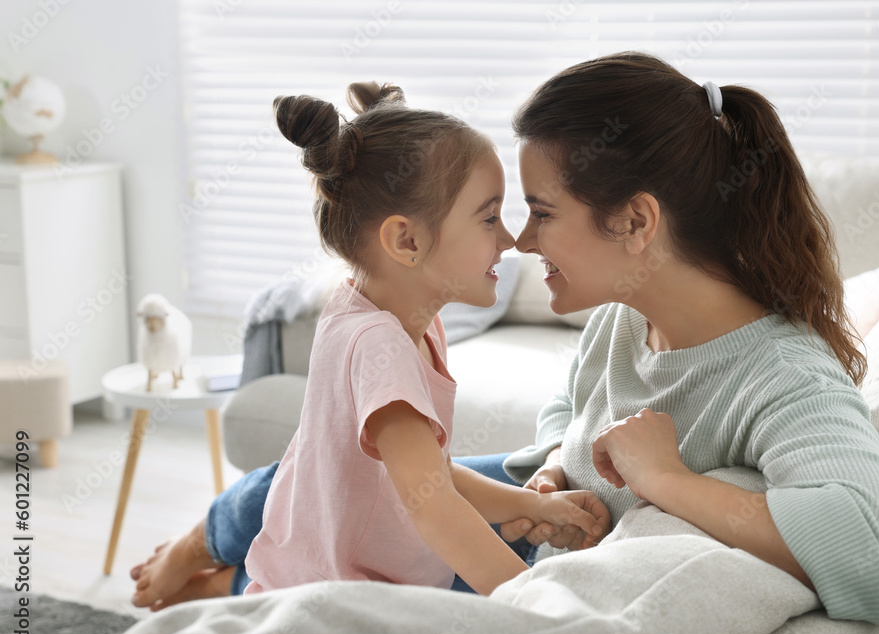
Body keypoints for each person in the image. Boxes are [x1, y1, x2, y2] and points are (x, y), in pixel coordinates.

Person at [132, 52, 879, 625]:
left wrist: (666, 480)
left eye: (541, 211)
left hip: (513, 560)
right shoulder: (624, 315)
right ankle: (203, 548)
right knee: (318, 471)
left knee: (344, 487)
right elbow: (568, 410)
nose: (519, 239)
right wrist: (551, 466)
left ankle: (228, 577)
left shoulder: (783, 376)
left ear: (636, 222)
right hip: (535, 515)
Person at [132, 81, 612, 604]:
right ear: (406, 241)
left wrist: (533, 506)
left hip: (333, 567)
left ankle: (218, 587)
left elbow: (433, 475)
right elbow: (436, 509)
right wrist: (536, 604)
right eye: (489, 217)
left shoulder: (394, 314)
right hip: (339, 602)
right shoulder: (381, 346)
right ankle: (217, 580)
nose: (509, 239)